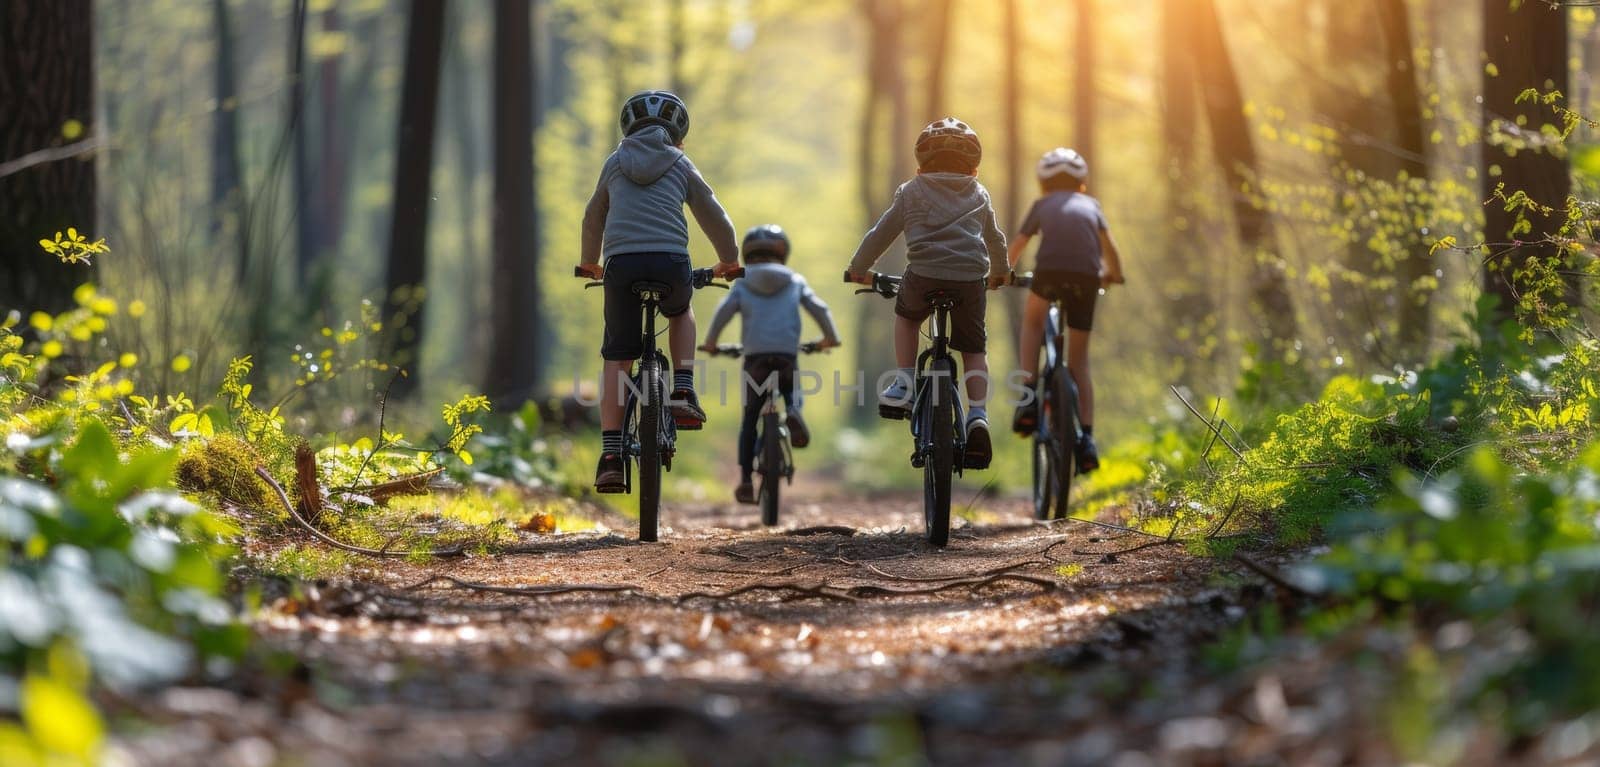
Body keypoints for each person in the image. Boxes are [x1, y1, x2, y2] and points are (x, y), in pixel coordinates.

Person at [577, 90, 742, 493]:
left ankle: (611, 456)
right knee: (680, 311)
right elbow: (712, 212)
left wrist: (590, 262)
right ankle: (683, 387)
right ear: (678, 135)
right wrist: (729, 259)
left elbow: (593, 214)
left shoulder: (615, 163)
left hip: (621, 267)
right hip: (670, 263)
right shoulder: (680, 163)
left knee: (618, 357)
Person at [844, 117, 1008, 470]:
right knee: (974, 348)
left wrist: (859, 267)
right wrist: (1000, 272)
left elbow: (882, 233)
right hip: (969, 280)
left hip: (922, 276)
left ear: (920, 165)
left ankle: (903, 381)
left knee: (905, 318)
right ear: (975, 168)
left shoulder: (911, 190)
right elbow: (995, 239)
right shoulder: (979, 193)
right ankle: (978, 415)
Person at [701, 225, 842, 504]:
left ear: (748, 252)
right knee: (792, 392)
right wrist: (829, 338)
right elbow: (819, 308)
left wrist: (712, 343)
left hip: (755, 359)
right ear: (783, 252)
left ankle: (744, 481)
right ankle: (793, 411)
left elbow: (724, 311)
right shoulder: (795, 280)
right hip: (786, 355)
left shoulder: (741, 281)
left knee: (750, 419)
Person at [1004, 147, 1125, 474]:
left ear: (1043, 183)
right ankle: (1086, 438)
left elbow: (1019, 242)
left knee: (1032, 322)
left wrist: (1001, 272)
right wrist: (1115, 274)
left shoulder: (1042, 205)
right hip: (1087, 278)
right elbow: (1109, 248)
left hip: (1050, 273)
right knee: (1079, 361)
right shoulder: (1092, 205)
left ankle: (1029, 394)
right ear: (1082, 183)